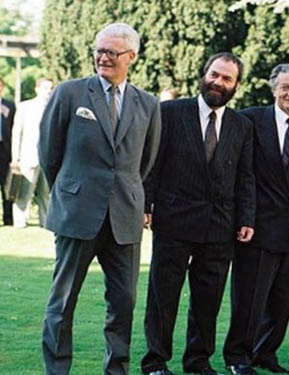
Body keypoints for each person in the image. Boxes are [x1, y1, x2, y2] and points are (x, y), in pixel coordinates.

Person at [38, 23, 161, 375]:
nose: (103, 57)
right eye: (99, 50)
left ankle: (116, 370)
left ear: (131, 57)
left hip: (124, 218)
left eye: (112, 52)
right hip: (77, 215)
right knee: (62, 303)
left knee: (123, 304)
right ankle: (57, 370)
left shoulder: (148, 104)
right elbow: (49, 153)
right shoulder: (69, 94)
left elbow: (145, 163)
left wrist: (133, 198)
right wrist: (71, 192)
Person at [141, 52, 255, 375]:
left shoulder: (242, 126)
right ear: (204, 74)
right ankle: (155, 362)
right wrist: (145, 206)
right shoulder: (170, 113)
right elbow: (153, 165)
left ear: (236, 86)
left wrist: (246, 218)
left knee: (208, 300)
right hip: (174, 221)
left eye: (227, 78)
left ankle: (197, 360)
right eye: (214, 75)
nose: (218, 82)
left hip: (220, 226)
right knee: (163, 297)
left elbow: (246, 176)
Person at [223, 63, 289, 375]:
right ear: (274, 89)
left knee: (282, 302)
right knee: (249, 301)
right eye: (285, 86)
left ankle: (266, 355)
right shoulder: (250, 120)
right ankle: (238, 358)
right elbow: (240, 174)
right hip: (255, 227)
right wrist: (244, 217)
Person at [11, 77, 54, 228]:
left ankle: (46, 221)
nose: (48, 91)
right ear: (37, 89)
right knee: (24, 192)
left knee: (46, 193)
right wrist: (15, 157)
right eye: (45, 88)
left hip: (49, 158)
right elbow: (17, 133)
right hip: (28, 156)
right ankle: (20, 221)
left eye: (50, 88)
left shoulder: (55, 107)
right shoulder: (25, 107)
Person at [0, 77, 16, 226]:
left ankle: (8, 218)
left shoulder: (10, 106)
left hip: (5, 152)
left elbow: (14, 129)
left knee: (7, 186)